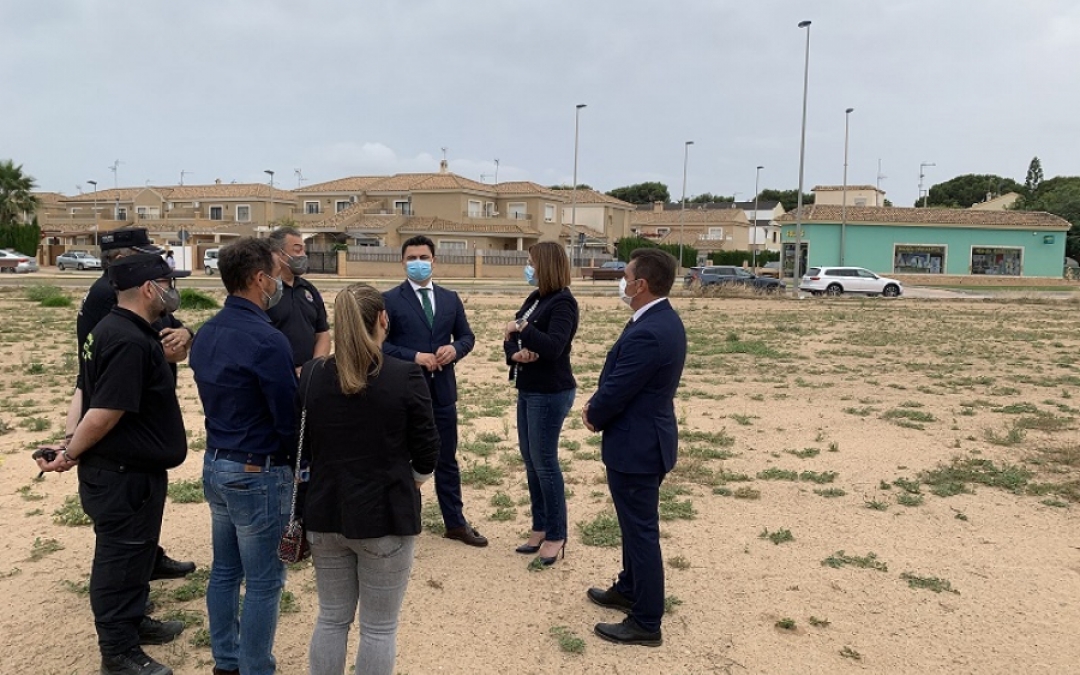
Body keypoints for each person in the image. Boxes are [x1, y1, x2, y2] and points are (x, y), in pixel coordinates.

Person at [37, 253, 192, 675]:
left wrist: (70, 442)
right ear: (149, 289)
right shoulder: (128, 341)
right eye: (167, 283)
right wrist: (71, 453)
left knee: (136, 557)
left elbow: (84, 392)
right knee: (119, 562)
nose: (172, 291)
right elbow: (104, 411)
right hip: (122, 476)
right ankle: (118, 652)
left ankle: (134, 622)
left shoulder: (110, 328)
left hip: (131, 472)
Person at [302, 283, 440, 675]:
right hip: (385, 516)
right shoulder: (404, 374)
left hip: (324, 512)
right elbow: (428, 445)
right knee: (379, 628)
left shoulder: (313, 374)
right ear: (383, 319)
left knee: (332, 618)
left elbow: (302, 441)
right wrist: (416, 478)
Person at [189, 238, 297, 675]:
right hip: (257, 469)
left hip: (217, 462)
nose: (278, 283)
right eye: (275, 274)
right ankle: (254, 667)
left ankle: (227, 661)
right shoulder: (268, 340)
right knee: (264, 581)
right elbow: (287, 415)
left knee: (225, 571)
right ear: (258, 279)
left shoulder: (207, 332)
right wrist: (298, 464)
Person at [69, 227, 196, 581]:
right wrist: (71, 446)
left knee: (137, 519)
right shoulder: (108, 301)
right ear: (125, 261)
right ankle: (128, 586)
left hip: (138, 409)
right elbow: (103, 374)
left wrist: (185, 334)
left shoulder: (136, 299)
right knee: (123, 525)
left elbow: (169, 326)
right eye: (144, 254)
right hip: (125, 421)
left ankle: (145, 561)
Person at [581, 248, 687, 648]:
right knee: (632, 525)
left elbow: (620, 387)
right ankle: (628, 588)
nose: (621, 284)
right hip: (643, 439)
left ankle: (646, 621)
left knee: (641, 533)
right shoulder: (659, 319)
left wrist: (594, 412)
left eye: (625, 277)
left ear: (641, 284)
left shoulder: (650, 331)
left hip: (637, 446)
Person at [382, 236, 486, 547]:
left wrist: (455, 349)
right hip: (403, 393)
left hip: (441, 394)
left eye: (424, 257)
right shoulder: (389, 300)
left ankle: (455, 523)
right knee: (400, 458)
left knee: (446, 459)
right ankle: (402, 522)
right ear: (402, 262)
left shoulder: (450, 299)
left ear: (434, 261)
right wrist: (414, 357)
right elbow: (380, 345)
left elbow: (467, 337)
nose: (418, 263)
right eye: (412, 258)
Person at [502, 242, 579, 566]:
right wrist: (515, 354)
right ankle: (540, 526)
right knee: (532, 461)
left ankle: (557, 534)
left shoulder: (563, 303)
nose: (528, 267)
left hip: (550, 392)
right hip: (528, 387)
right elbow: (509, 337)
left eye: (531, 262)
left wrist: (523, 328)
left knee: (545, 463)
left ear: (545, 265)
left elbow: (553, 346)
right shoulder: (536, 298)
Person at [267, 226, 331, 373]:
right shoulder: (265, 291)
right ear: (277, 254)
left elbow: (322, 334)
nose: (303, 255)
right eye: (297, 250)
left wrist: (312, 368)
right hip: (276, 375)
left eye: (304, 250)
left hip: (308, 377)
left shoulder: (309, 289)